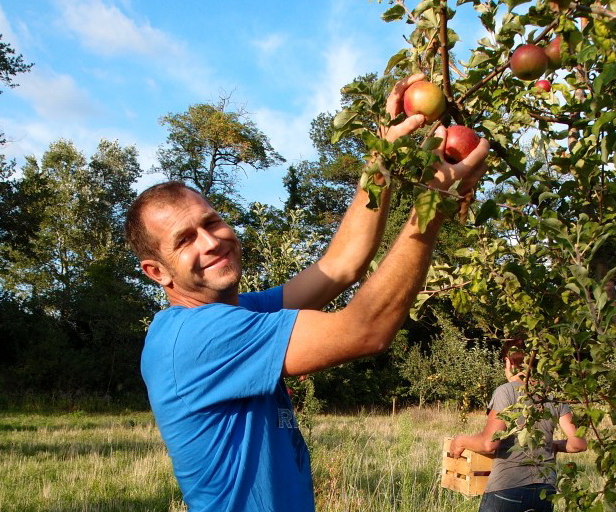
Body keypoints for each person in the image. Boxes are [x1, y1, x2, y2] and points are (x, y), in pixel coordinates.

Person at [123, 73, 490, 512]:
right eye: (185, 240)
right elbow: (367, 330)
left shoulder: (238, 313)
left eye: (212, 222)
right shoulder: (198, 339)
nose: (211, 241)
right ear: (156, 272)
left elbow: (340, 266)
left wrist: (383, 158)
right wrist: (432, 206)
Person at [449, 339, 587, 512]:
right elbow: (578, 444)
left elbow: (489, 443)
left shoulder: (506, 391)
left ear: (509, 361)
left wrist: (461, 441)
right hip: (545, 489)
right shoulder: (551, 396)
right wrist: (554, 445)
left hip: (508, 488)